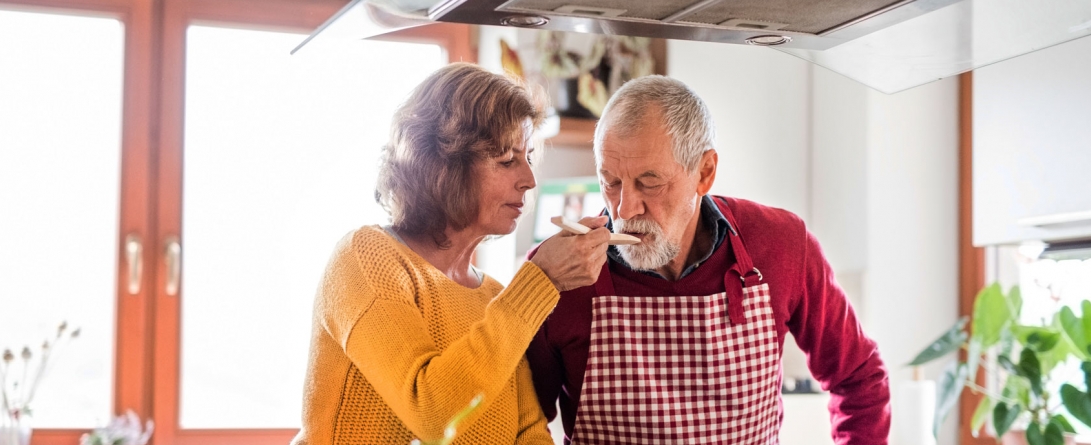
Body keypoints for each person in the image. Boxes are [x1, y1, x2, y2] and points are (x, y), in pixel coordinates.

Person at [527, 76, 891, 444]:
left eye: (649, 183)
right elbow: (521, 424)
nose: (624, 209)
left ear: (704, 173)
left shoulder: (780, 243)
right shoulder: (558, 276)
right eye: (611, 181)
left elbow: (859, 376)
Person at [293, 63, 611, 445]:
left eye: (527, 157)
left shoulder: (494, 296)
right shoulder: (366, 258)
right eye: (507, 160)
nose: (528, 180)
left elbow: (529, 433)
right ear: (442, 166)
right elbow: (433, 414)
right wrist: (539, 282)